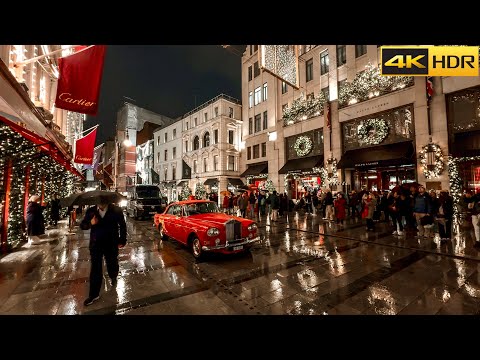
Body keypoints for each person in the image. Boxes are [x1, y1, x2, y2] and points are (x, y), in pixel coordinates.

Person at [80, 197, 127, 306]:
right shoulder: (91, 211)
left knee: (112, 262)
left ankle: (113, 276)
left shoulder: (116, 210)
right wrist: (91, 223)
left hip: (111, 243)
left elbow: (122, 226)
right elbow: (83, 225)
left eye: (104, 201)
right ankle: (93, 294)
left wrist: (122, 240)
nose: (102, 203)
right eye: (100, 201)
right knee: (95, 268)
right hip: (96, 244)